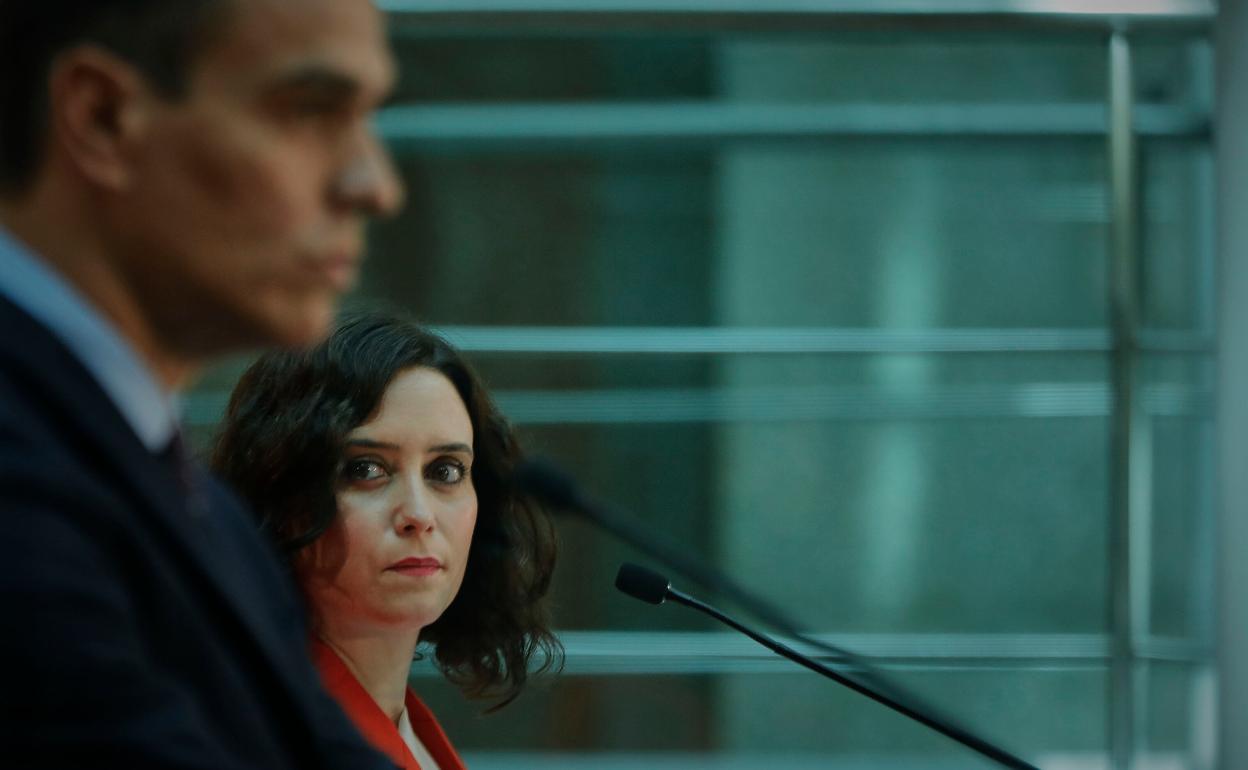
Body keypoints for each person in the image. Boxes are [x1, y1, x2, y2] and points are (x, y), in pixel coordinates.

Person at [0, 0, 403, 767]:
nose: (375, 186)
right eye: (308, 110)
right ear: (101, 116)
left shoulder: (198, 503)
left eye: (368, 116)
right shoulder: (23, 480)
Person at [211, 313, 562, 770]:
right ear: (280, 498)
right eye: (366, 469)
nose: (418, 514)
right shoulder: (254, 733)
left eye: (445, 471)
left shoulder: (407, 729)